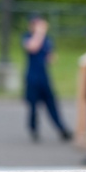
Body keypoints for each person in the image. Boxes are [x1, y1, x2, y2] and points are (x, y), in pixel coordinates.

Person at [23, 14, 71, 142]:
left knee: (52, 104)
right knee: (33, 106)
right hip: (32, 77)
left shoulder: (47, 39)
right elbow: (32, 47)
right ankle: (33, 130)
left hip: (44, 77)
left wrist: (51, 56)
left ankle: (62, 129)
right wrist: (39, 33)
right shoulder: (27, 37)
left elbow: (51, 57)